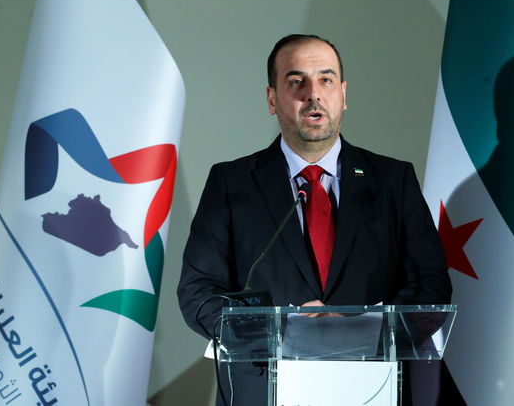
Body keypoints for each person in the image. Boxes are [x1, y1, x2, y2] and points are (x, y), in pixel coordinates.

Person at [177, 34, 451, 406]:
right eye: (296, 82)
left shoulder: (392, 180)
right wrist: (275, 333)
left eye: (325, 79)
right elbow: (198, 292)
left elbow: (430, 283)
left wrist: (361, 329)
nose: (313, 94)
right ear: (273, 99)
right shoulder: (231, 183)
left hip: (370, 387)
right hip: (264, 387)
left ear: (343, 94)